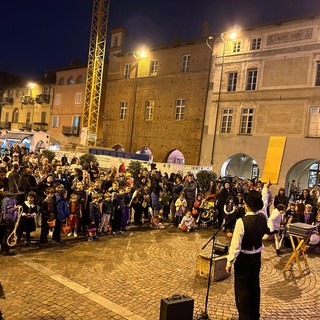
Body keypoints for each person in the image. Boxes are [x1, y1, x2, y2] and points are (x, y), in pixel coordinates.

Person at [226, 190, 270, 320]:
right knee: (254, 287)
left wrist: (229, 262)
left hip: (244, 259)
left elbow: (235, 245)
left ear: (247, 205)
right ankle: (254, 316)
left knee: (242, 290)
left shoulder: (242, 221)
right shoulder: (262, 217)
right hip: (256, 257)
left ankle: (244, 317)